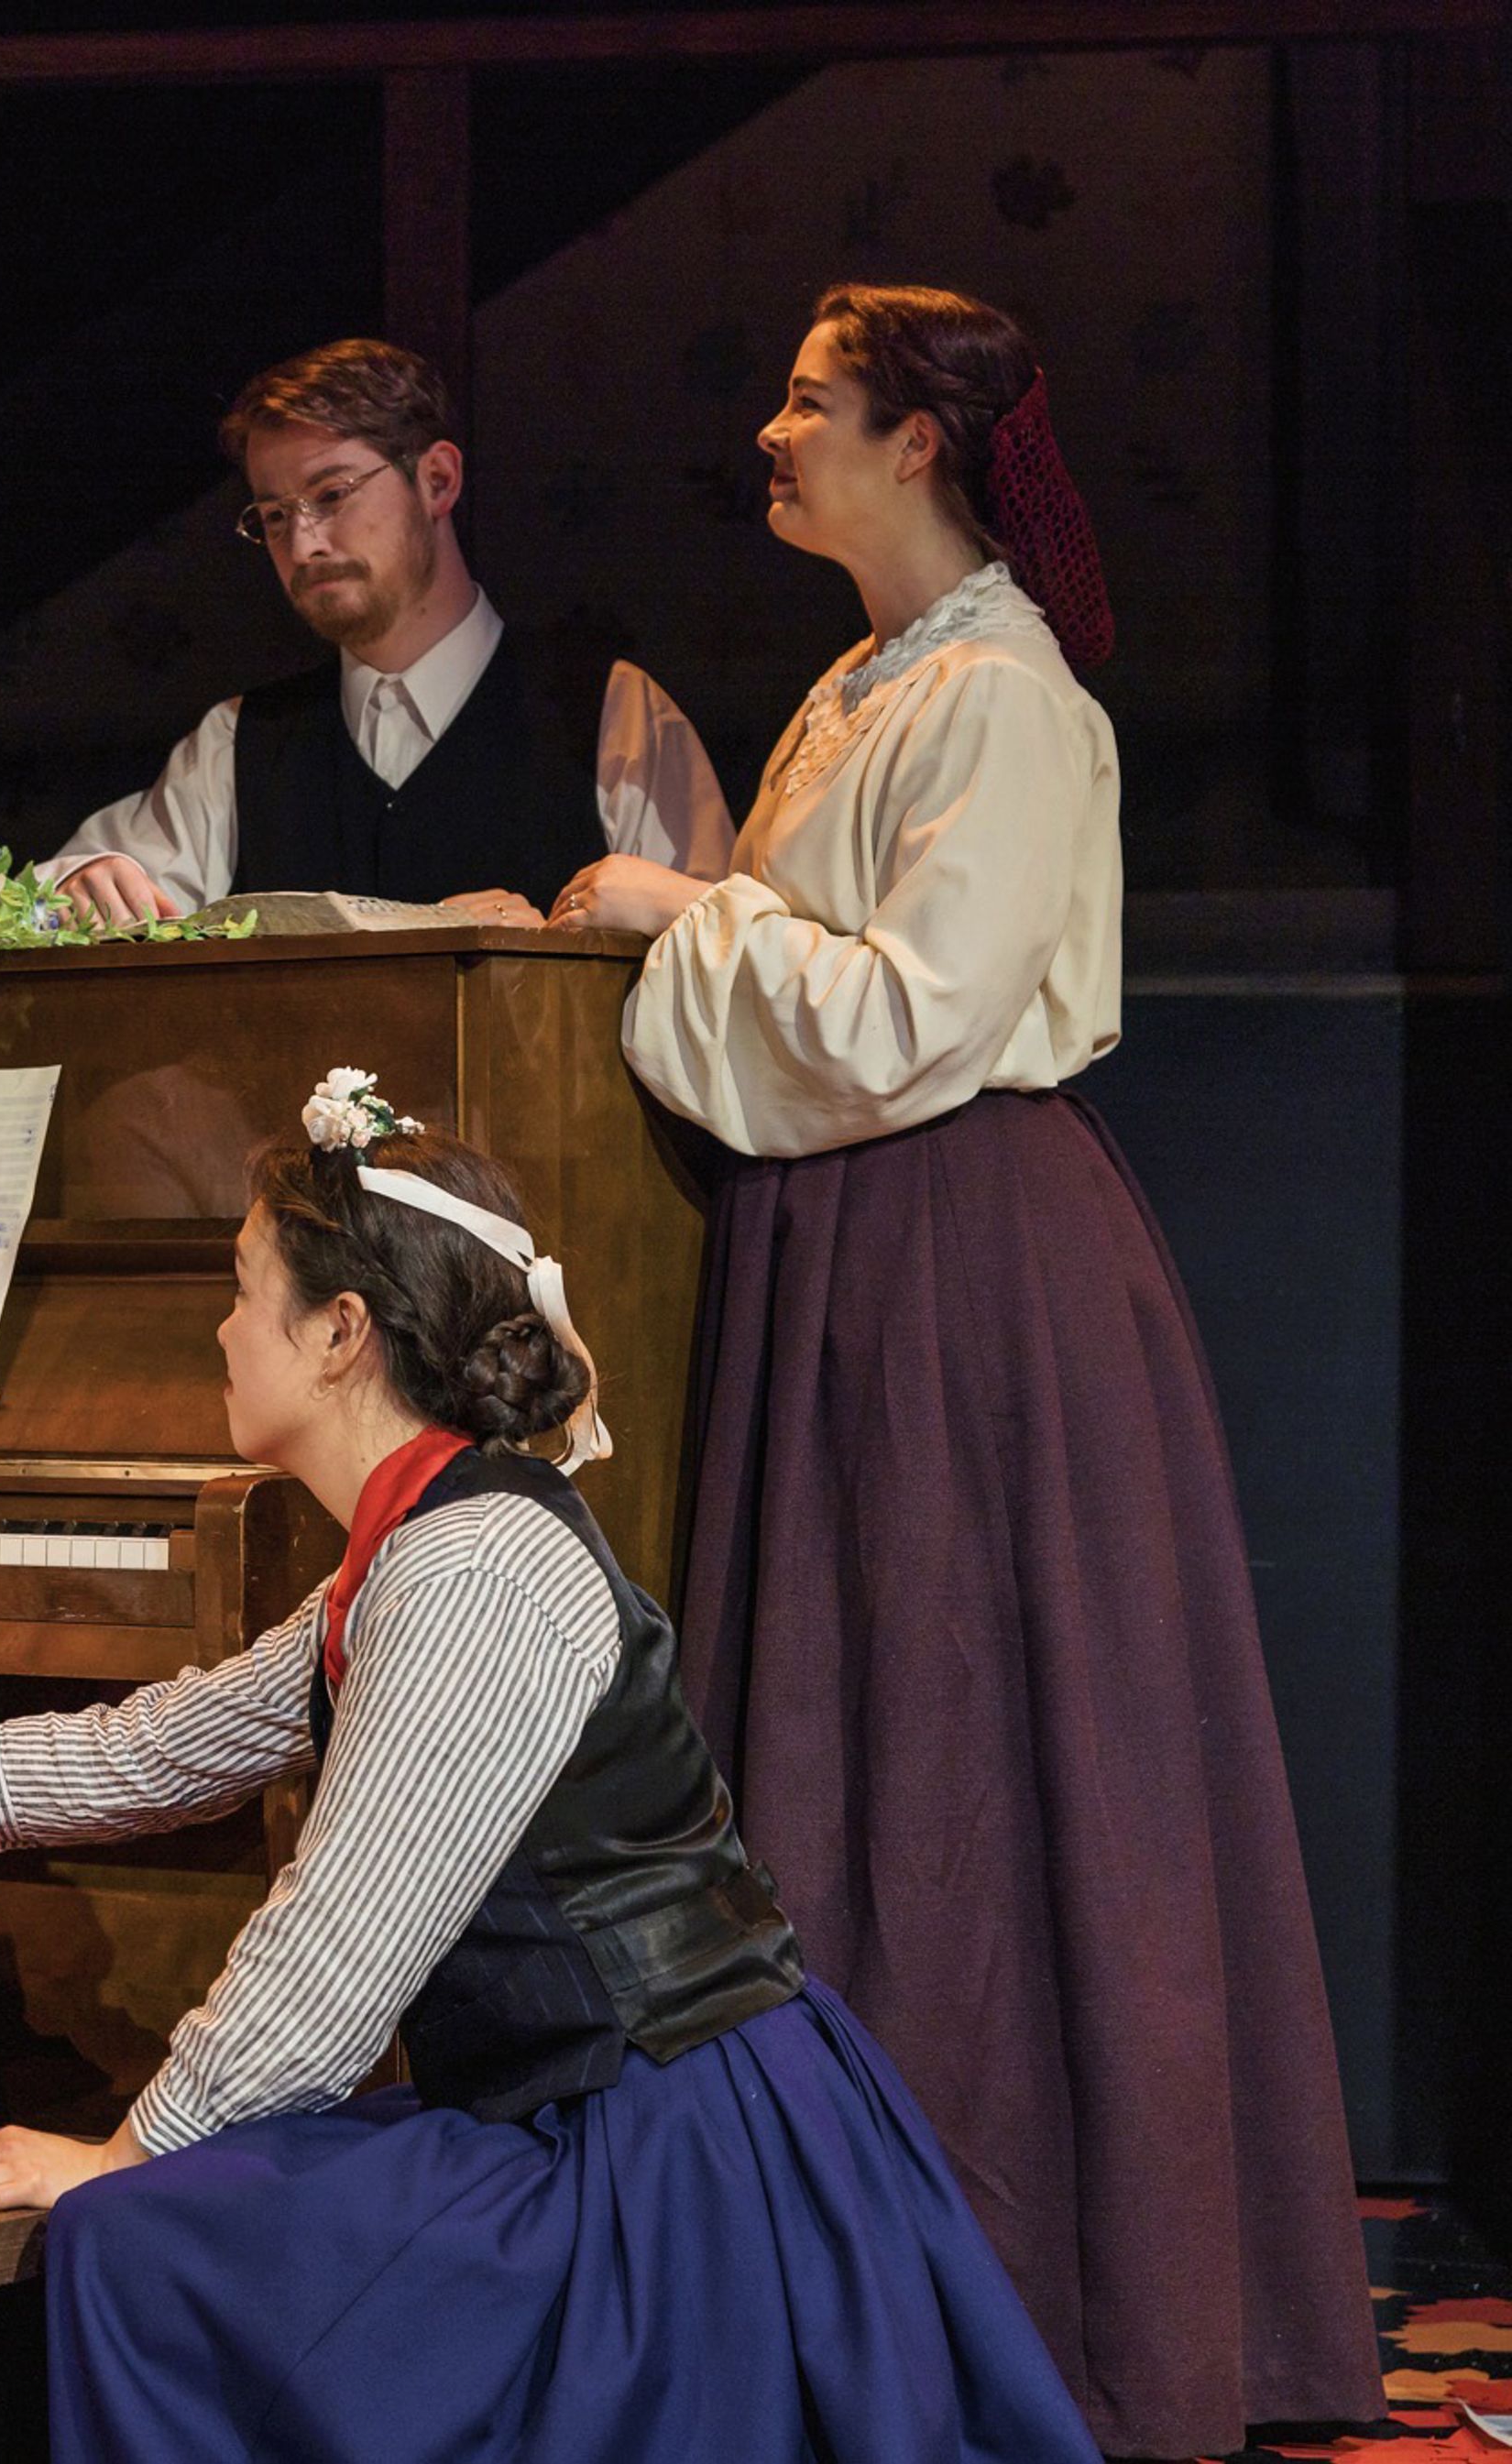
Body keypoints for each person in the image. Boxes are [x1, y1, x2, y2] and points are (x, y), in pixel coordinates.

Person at [0, 1075, 1093, 2462]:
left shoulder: (474, 1567)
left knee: (136, 2240)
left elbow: (337, 1955)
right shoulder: (413, 1543)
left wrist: (121, 2158)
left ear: (341, 1331)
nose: (222, 1328)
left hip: (661, 2157)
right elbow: (149, 1751)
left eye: (244, 1288)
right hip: (574, 2117)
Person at [553, 283, 1378, 2454]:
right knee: (859, 1747)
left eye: (807, 400)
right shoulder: (868, 678)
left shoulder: (1001, 695)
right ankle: (856, 2290)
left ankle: (1029, 2308)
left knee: (965, 1754)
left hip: (960, 1263)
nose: (769, 428)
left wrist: (676, 913)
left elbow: (909, 1017)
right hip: (852, 1249)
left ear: (914, 444)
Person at [48, 338, 731, 928]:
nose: (305, 543)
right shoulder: (241, 740)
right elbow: (50, 900)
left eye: (332, 494)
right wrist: (79, 883)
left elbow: (713, 961)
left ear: (437, 480)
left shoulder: (610, 712)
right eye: (275, 517)